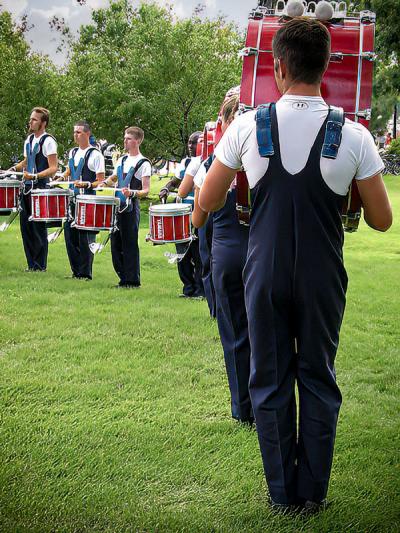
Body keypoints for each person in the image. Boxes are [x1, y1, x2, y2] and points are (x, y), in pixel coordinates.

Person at [199, 17, 392, 513]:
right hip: (322, 276)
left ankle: (283, 497)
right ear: (326, 68)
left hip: (261, 274)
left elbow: (209, 196)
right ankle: (314, 494)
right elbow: (381, 220)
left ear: (278, 67)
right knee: (318, 378)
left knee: (268, 379)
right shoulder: (354, 135)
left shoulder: (246, 125)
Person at [192, 94, 253, 424]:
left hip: (228, 254)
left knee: (235, 336)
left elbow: (197, 220)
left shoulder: (211, 163)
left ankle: (243, 409)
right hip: (263, 253)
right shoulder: (264, 159)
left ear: (225, 121)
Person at [100, 127, 151, 288]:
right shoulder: (122, 160)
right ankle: (122, 278)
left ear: (138, 141)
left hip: (131, 206)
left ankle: (132, 280)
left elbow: (146, 190)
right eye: (125, 137)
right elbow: (115, 176)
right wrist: (105, 183)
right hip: (117, 206)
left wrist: (132, 193)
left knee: (129, 244)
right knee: (116, 243)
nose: (125, 141)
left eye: (128, 138)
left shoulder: (144, 163)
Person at [9, 107, 58, 271]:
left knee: (37, 228)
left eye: (35, 119)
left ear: (43, 123)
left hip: (40, 187)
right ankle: (31, 264)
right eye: (31, 119)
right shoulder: (29, 140)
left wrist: (36, 176)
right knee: (26, 227)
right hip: (27, 187)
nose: (31, 122)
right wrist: (13, 169)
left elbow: (53, 168)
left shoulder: (48, 141)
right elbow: (26, 161)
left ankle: (40, 265)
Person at [159, 132, 204, 299]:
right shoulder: (185, 162)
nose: (190, 146)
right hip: (181, 213)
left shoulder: (206, 161)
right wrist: (166, 187)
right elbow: (174, 181)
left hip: (198, 210)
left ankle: (201, 289)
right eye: (189, 143)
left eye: (195, 143)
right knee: (182, 251)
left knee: (199, 251)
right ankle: (188, 287)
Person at [60, 120, 105, 280]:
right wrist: (61, 177)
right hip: (72, 199)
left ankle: (85, 273)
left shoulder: (95, 154)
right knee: (70, 235)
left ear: (87, 134)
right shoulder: (72, 152)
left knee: (85, 237)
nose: (75, 135)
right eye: (74, 132)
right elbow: (69, 171)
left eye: (78, 132)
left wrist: (87, 183)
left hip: (87, 200)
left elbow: (100, 181)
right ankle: (75, 271)